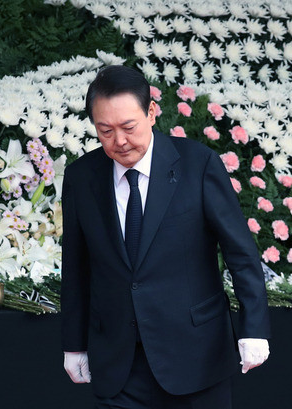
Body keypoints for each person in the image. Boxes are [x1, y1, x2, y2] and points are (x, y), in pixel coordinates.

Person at [60, 65, 271, 409]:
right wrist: (74, 344)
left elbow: (240, 252)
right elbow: (76, 266)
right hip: (118, 362)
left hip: (196, 356)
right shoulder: (82, 176)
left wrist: (255, 328)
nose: (120, 141)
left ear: (152, 112)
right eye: (105, 131)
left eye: (128, 127)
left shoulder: (197, 164)